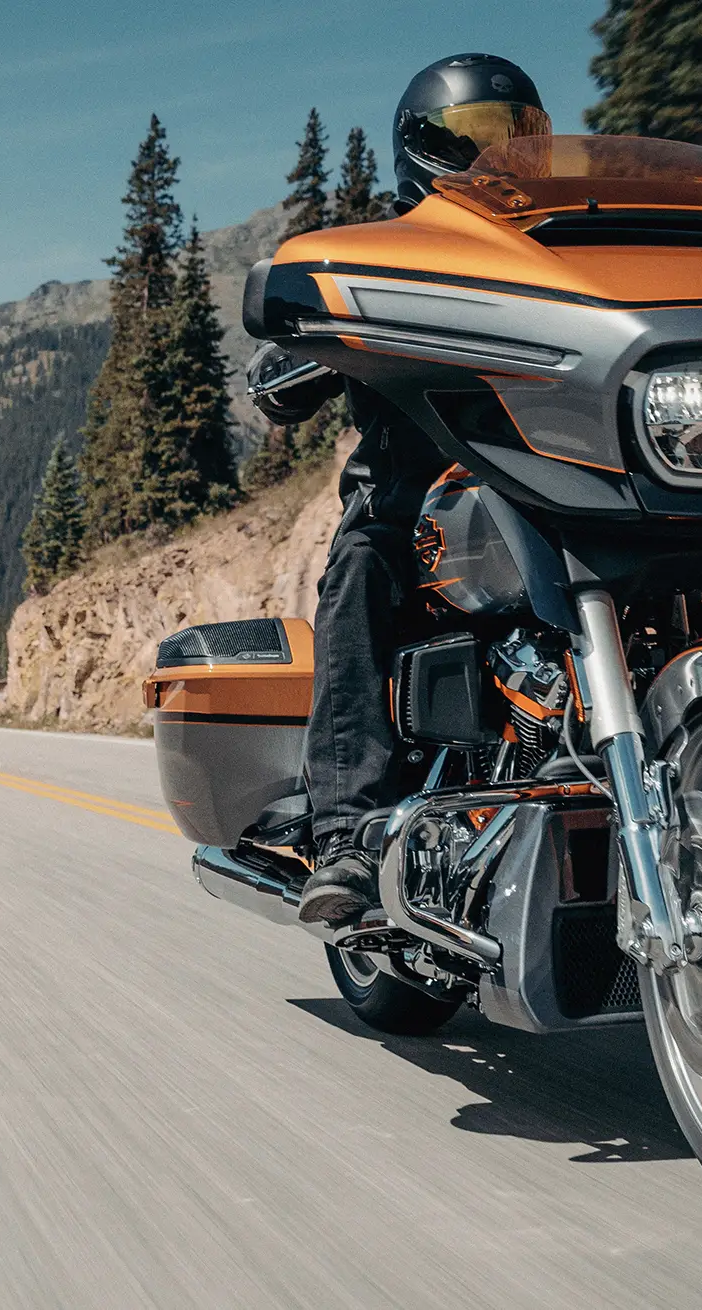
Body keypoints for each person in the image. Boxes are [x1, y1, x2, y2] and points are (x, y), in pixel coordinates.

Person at [247, 53, 552, 927]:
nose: (503, 160)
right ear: (427, 148)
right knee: (362, 575)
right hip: (422, 500)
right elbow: (279, 367)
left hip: (561, 487)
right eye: (480, 140)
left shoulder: (565, 253)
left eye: (520, 138)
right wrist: (306, 343)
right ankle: (344, 831)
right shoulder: (391, 261)